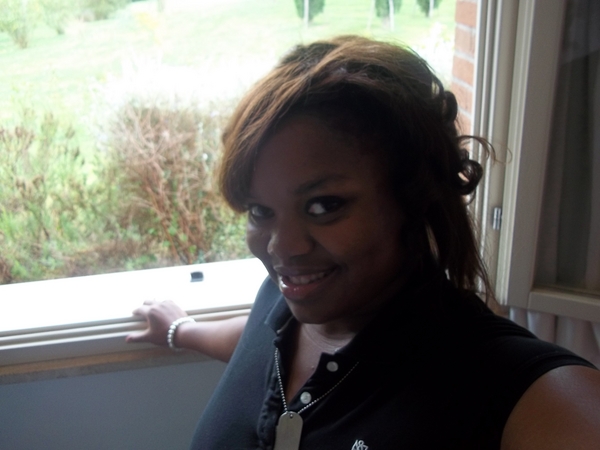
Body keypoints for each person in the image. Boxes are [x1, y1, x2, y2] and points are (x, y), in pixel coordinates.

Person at [126, 36, 600, 449]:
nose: (281, 248)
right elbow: (251, 339)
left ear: (414, 199)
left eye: (323, 205)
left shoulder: (518, 391)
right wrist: (182, 330)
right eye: (259, 211)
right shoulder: (283, 300)